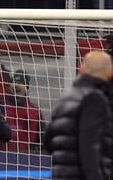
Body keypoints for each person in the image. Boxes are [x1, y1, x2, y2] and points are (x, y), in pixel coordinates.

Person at [45, 50, 113, 180]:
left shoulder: (65, 98)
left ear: (81, 68)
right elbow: (89, 147)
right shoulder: (95, 99)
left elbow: (48, 141)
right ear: (110, 72)